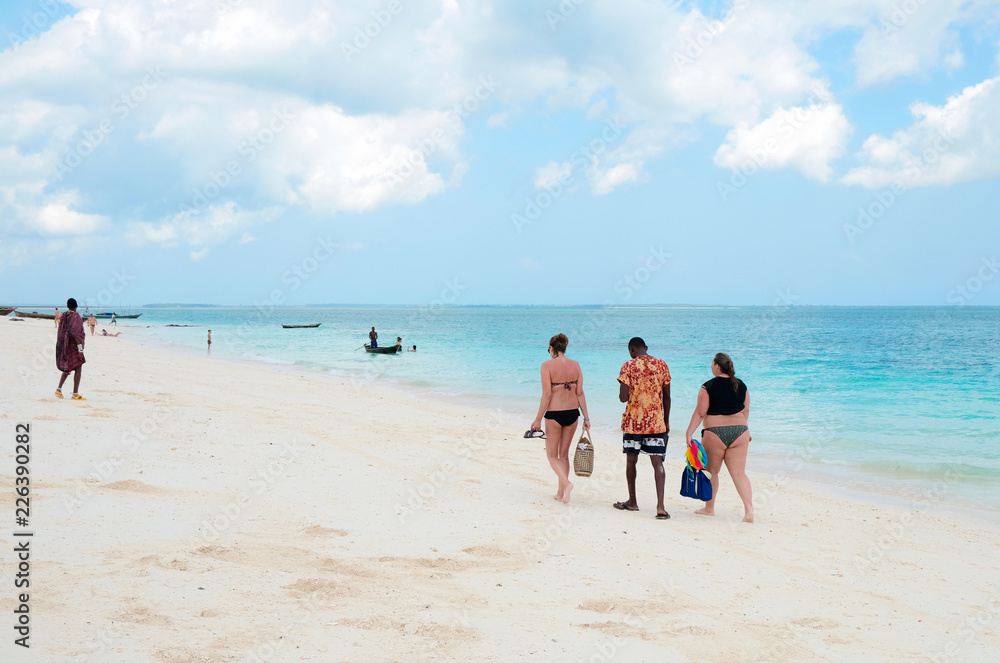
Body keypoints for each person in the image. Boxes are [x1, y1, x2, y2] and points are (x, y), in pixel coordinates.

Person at [685, 352, 753, 523]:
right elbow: (745, 412)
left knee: (711, 472)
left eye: (711, 363)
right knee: (739, 473)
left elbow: (700, 412)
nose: (710, 366)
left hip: (715, 432)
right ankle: (749, 510)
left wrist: (689, 432)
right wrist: (740, 430)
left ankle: (709, 508)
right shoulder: (741, 385)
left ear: (717, 365)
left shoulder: (707, 387)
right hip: (741, 431)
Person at [529, 333, 591, 504]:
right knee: (563, 455)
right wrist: (586, 417)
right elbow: (580, 393)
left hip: (554, 414)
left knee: (551, 456)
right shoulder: (576, 365)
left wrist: (538, 419)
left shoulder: (546, 366)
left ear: (552, 349)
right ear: (564, 348)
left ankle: (567, 485)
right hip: (573, 414)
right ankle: (561, 493)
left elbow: (547, 394)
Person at [614, 337, 672, 519]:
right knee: (657, 464)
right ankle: (660, 507)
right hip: (656, 423)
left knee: (632, 461)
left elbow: (623, 398)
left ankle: (633, 502)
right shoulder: (662, 364)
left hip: (634, 423)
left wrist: (632, 390)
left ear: (631, 349)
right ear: (645, 348)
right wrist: (666, 421)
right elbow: (667, 397)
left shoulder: (628, 366)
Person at [55, 298, 86, 400]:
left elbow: (63, 331)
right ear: (76, 306)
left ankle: (59, 389)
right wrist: (80, 349)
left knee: (67, 368)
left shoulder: (63, 316)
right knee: (78, 367)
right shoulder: (76, 317)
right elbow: (76, 334)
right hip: (74, 346)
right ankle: (75, 393)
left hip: (65, 345)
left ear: (68, 306)